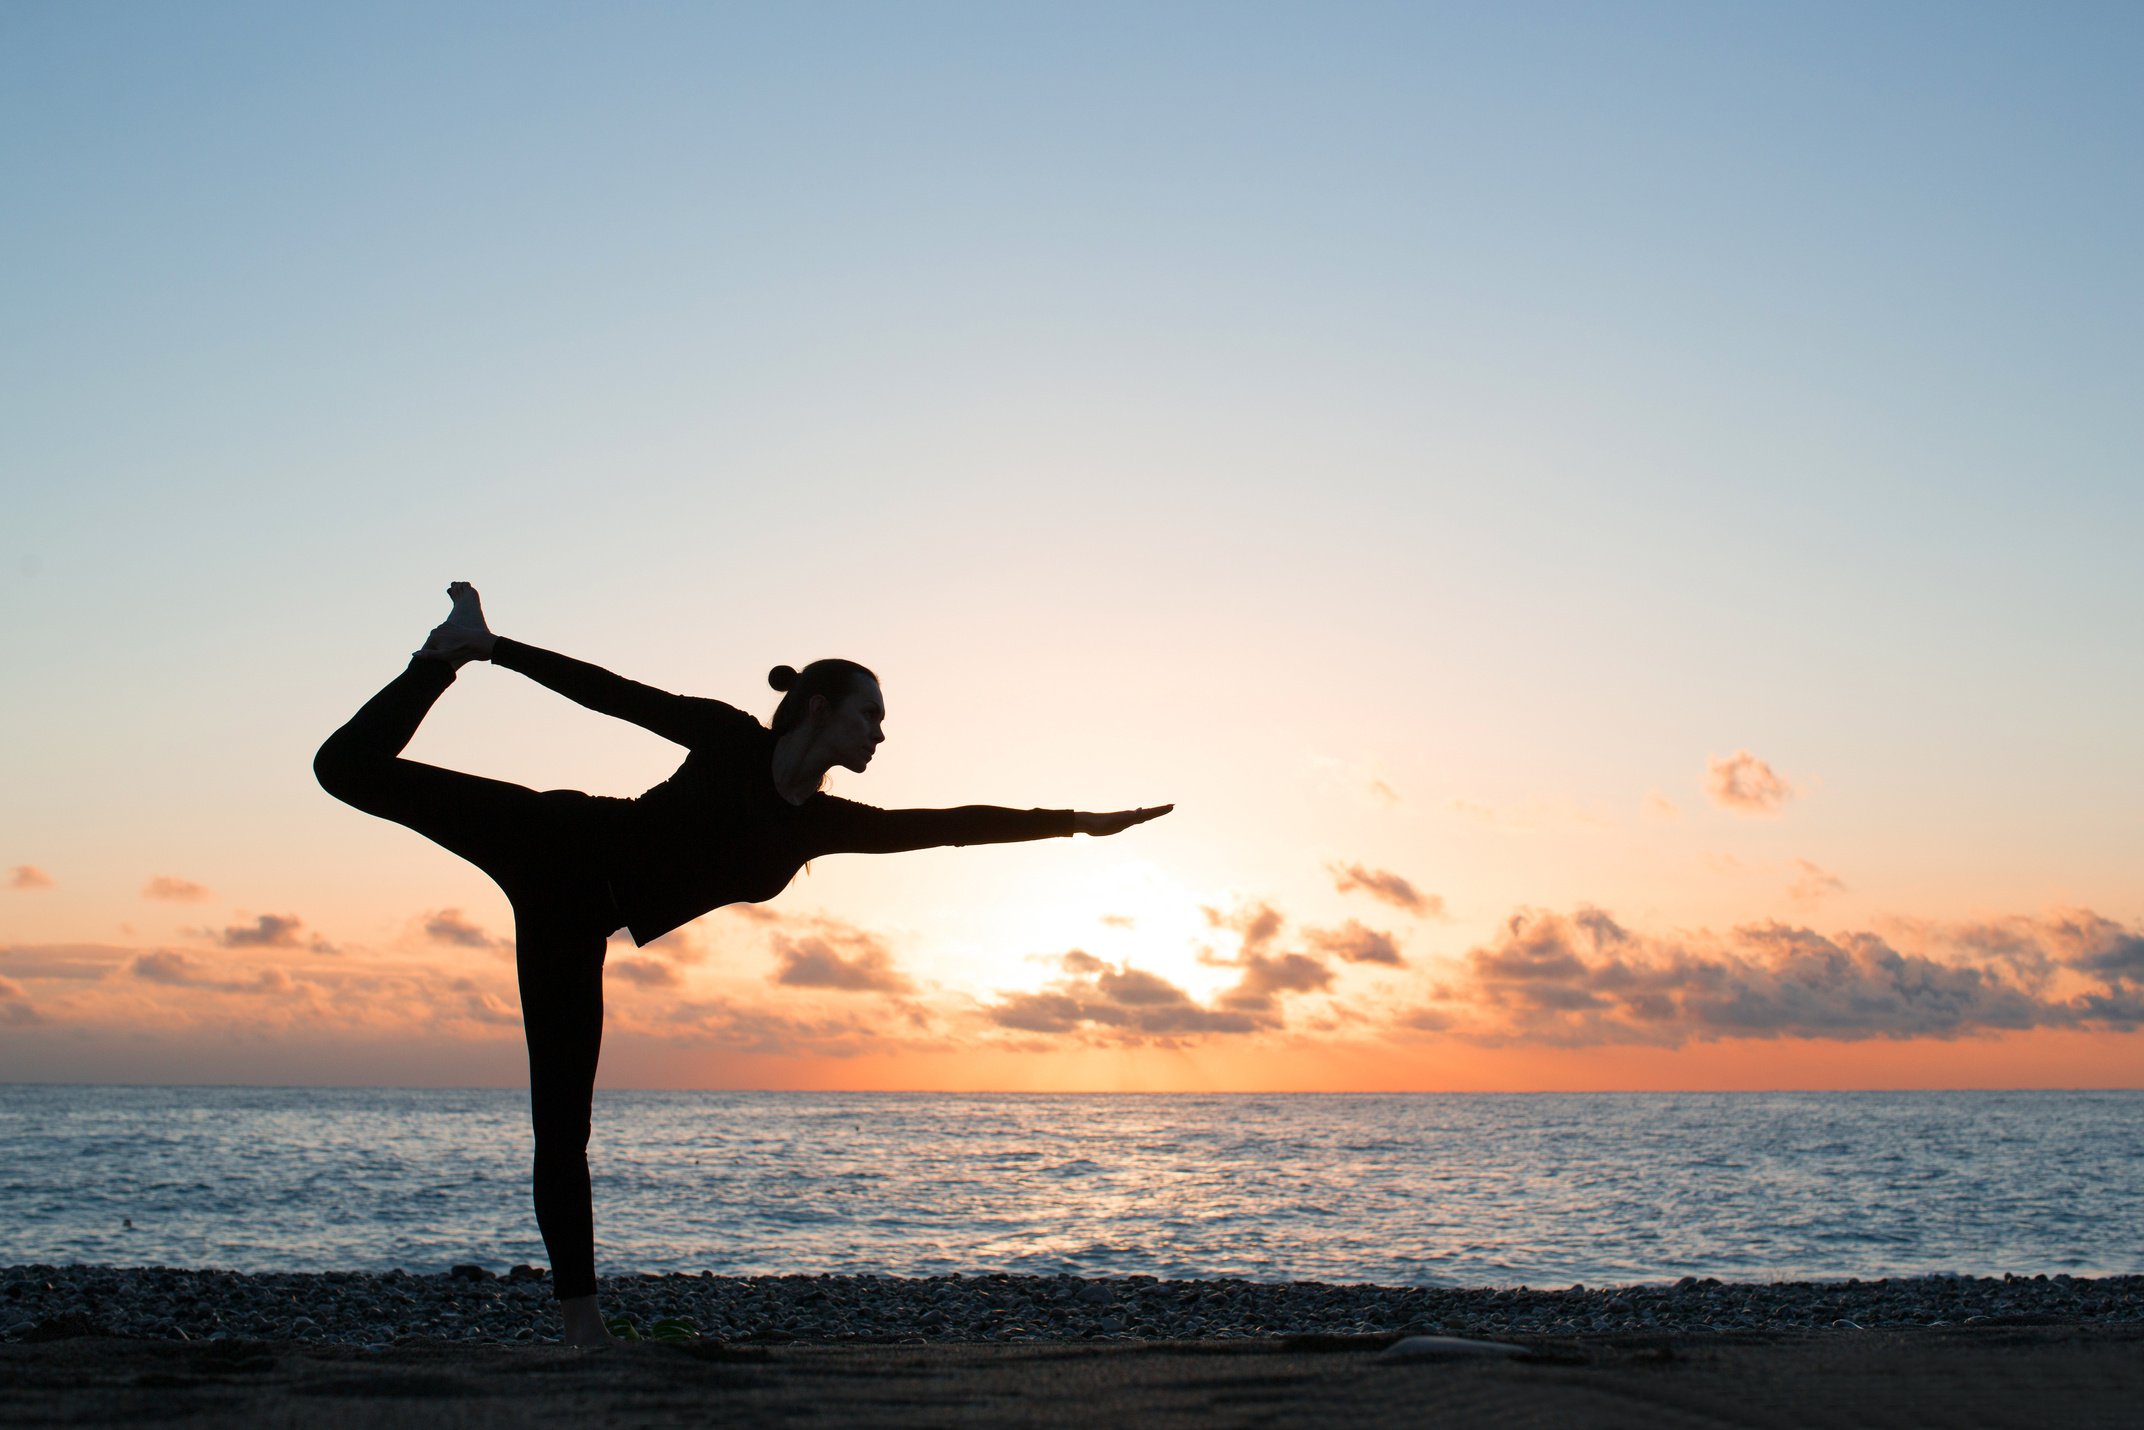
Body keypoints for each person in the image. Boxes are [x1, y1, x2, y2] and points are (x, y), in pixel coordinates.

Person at [312, 583, 1170, 1346]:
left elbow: (948, 822)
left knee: (561, 1124)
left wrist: (1078, 823)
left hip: (574, 925)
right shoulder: (726, 739)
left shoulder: (820, 827)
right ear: (819, 709)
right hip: (556, 839)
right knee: (343, 768)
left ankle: (582, 1327)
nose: (881, 732)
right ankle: (447, 653)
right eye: (870, 713)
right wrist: (499, 650)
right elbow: (613, 695)